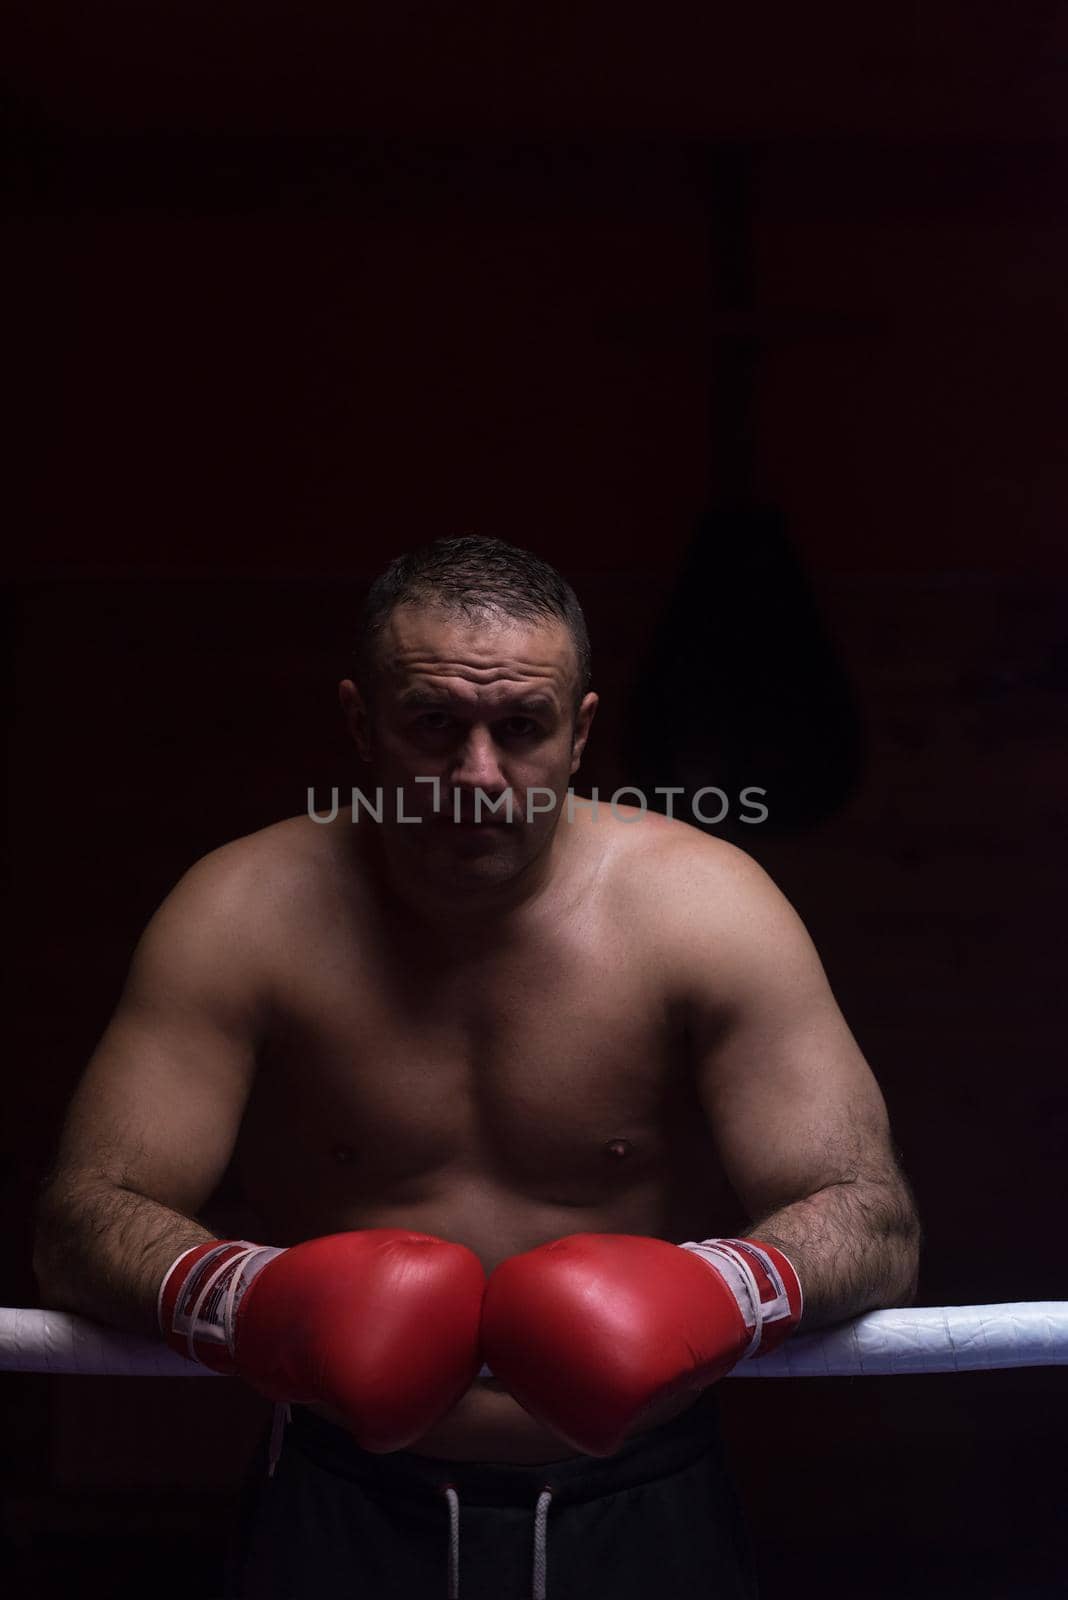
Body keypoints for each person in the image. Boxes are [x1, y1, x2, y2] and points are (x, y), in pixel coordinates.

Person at [33, 535, 920, 1598]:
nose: (477, 775)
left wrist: (721, 1289)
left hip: (642, 1499)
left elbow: (875, 1219)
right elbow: (83, 1219)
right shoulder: (242, 914)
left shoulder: (707, 910)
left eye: (521, 728)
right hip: (339, 1496)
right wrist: (251, 1297)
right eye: (435, 725)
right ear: (363, 724)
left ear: (580, 731)